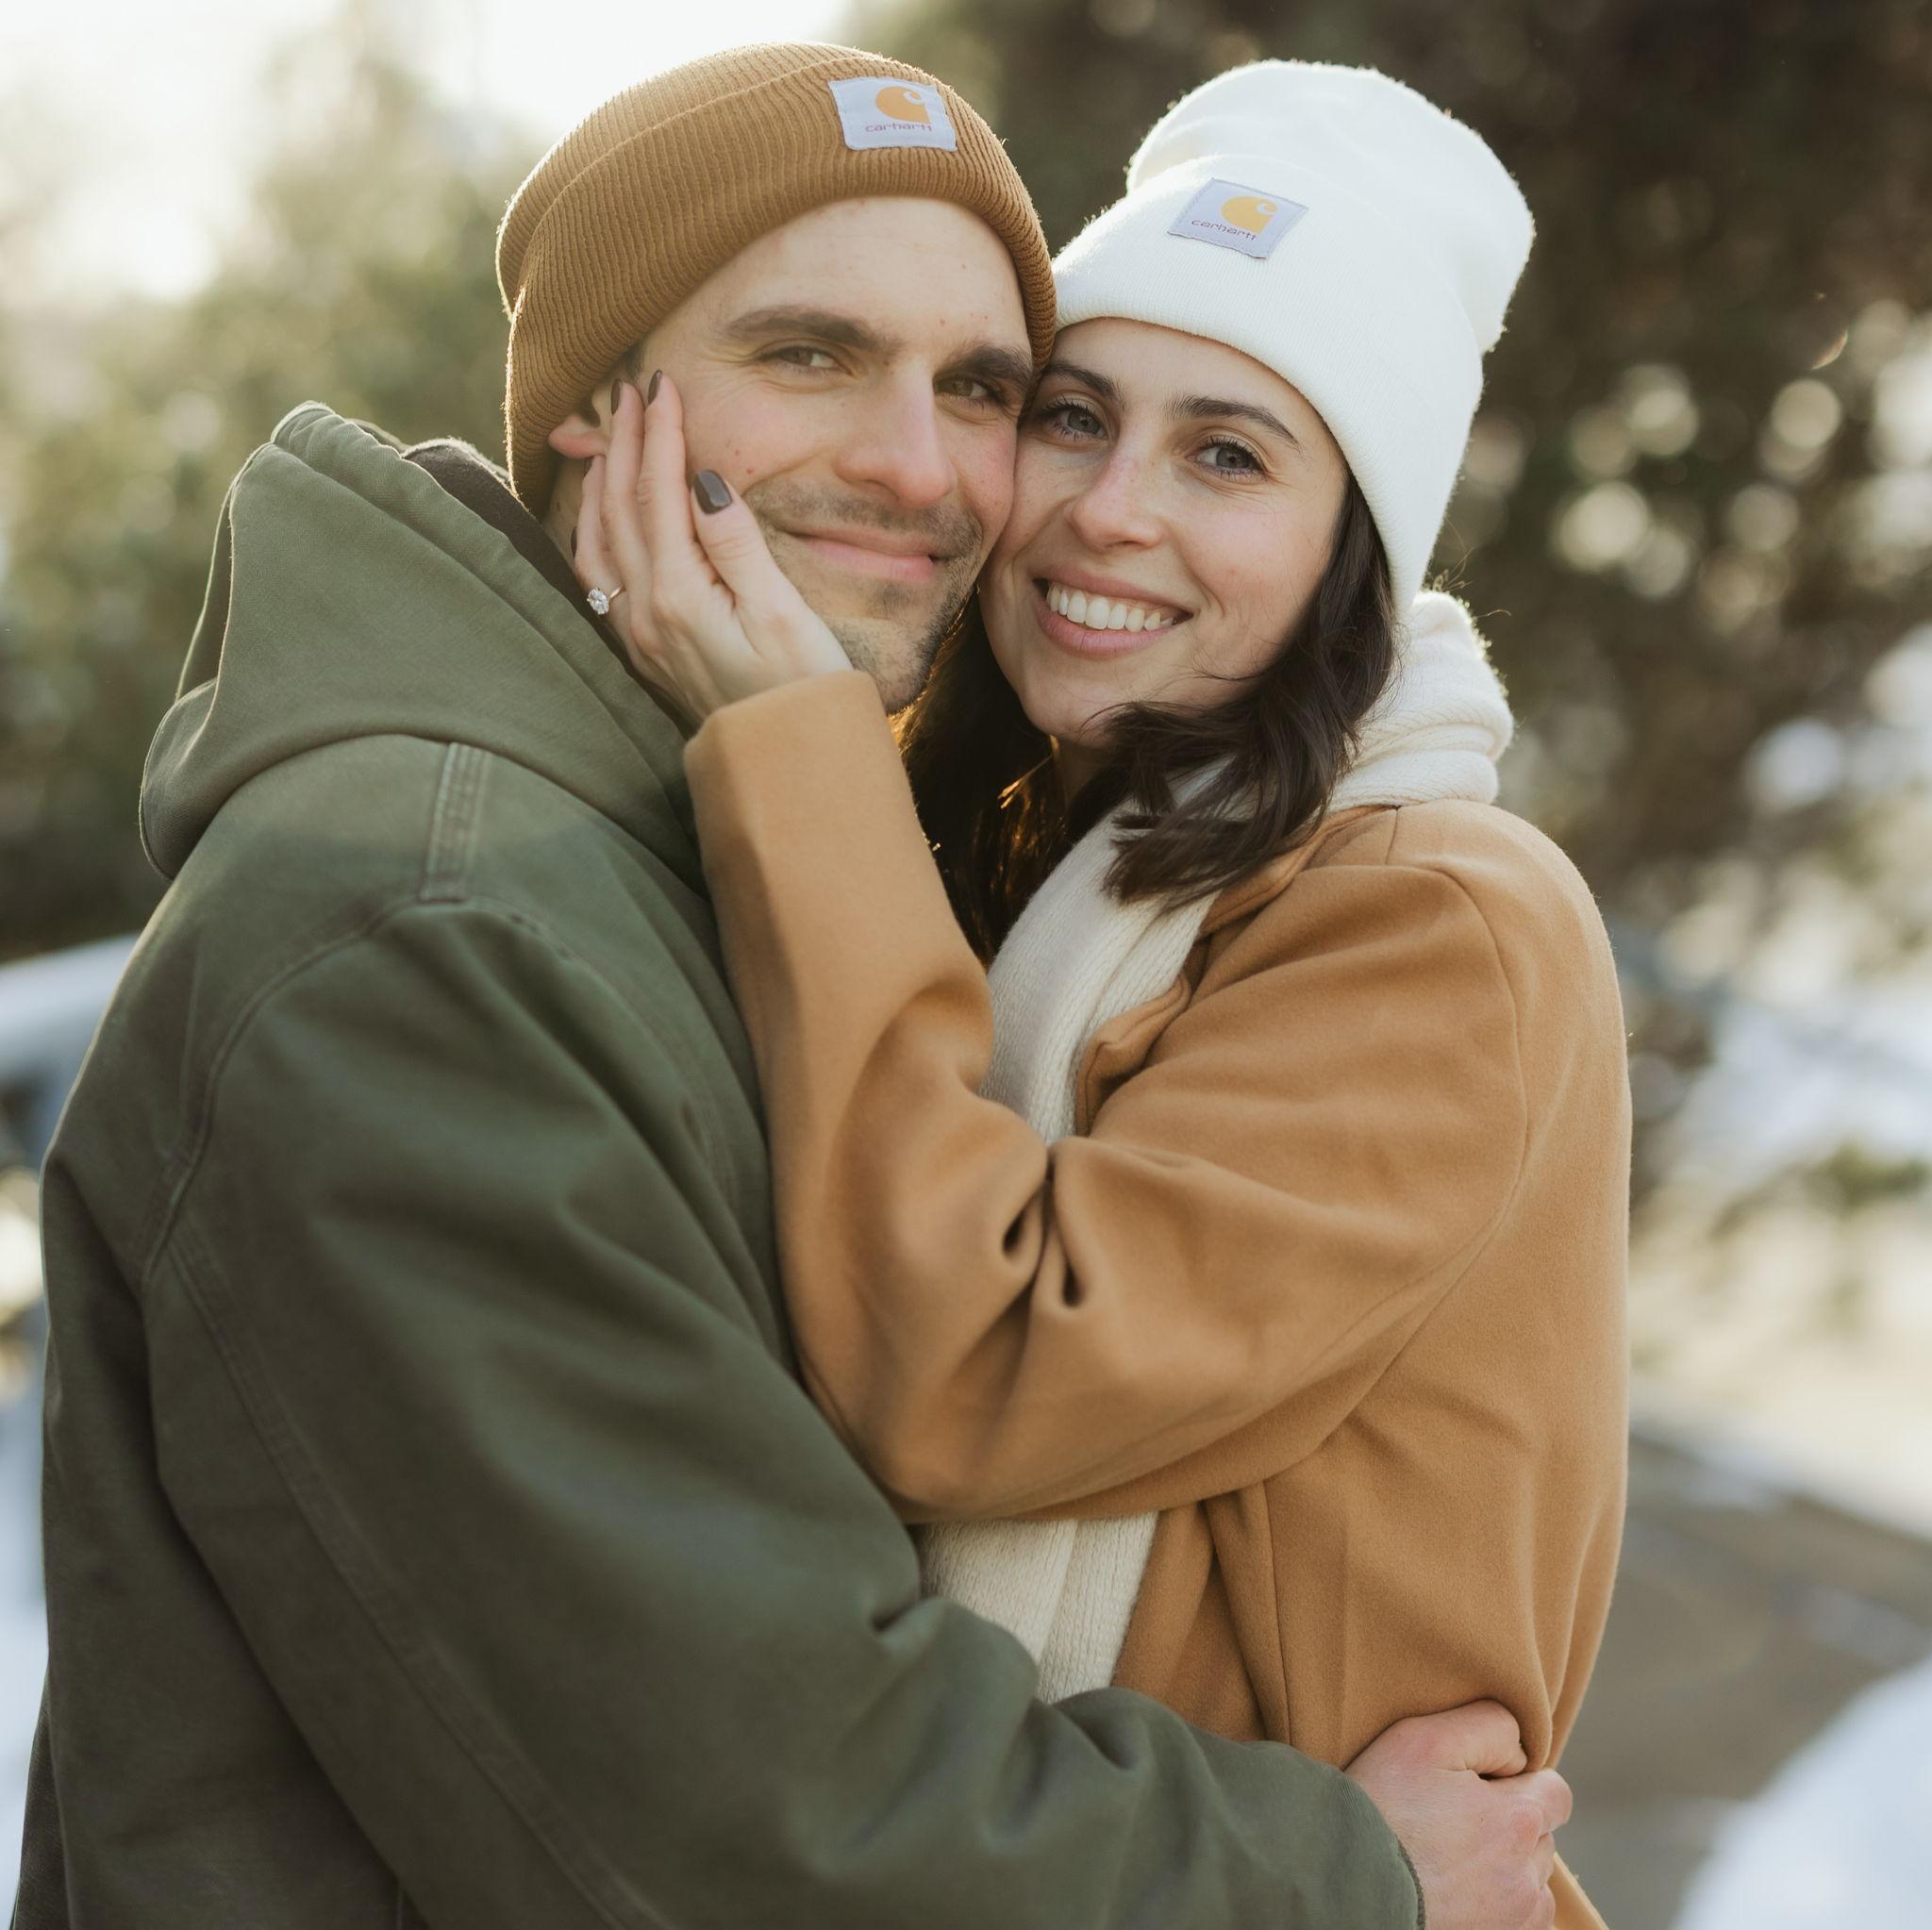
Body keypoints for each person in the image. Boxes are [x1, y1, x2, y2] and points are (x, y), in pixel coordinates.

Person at [15, 43, 1565, 1930]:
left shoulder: (743, 854)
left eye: (980, 388)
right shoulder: (435, 933)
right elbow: (752, 1813)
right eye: (811, 353)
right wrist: (1336, 1881)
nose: (935, 472)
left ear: (1357, 551)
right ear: (599, 405)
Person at [570, 58, 1629, 1930]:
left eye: (1228, 454)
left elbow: (984, 1373)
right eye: (1073, 416)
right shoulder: (1019, 827)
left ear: (1347, 557)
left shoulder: (1442, 916)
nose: (1102, 513)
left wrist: (784, 745)